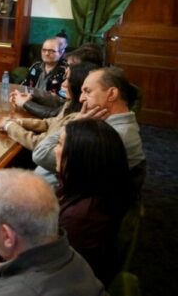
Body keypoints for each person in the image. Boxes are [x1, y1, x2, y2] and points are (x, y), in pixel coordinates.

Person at [33, 66, 146, 187]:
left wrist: (74, 125)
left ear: (112, 94)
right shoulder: (105, 124)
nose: (81, 99)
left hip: (53, 199)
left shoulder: (112, 135)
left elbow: (41, 154)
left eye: (87, 91)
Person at [53, 119, 133, 285]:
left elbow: (52, 274)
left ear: (79, 156)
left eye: (60, 144)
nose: (54, 150)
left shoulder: (80, 217)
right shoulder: (95, 189)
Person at [0, 62, 97, 151]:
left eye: (69, 79)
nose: (63, 83)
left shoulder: (80, 116)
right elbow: (50, 122)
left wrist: (9, 126)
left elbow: (38, 143)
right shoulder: (71, 102)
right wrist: (19, 122)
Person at [11, 43, 104, 119]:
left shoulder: (89, 97)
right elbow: (61, 104)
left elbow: (54, 114)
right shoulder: (36, 66)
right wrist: (32, 97)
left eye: (71, 66)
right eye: (44, 50)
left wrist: (25, 103)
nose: (67, 69)